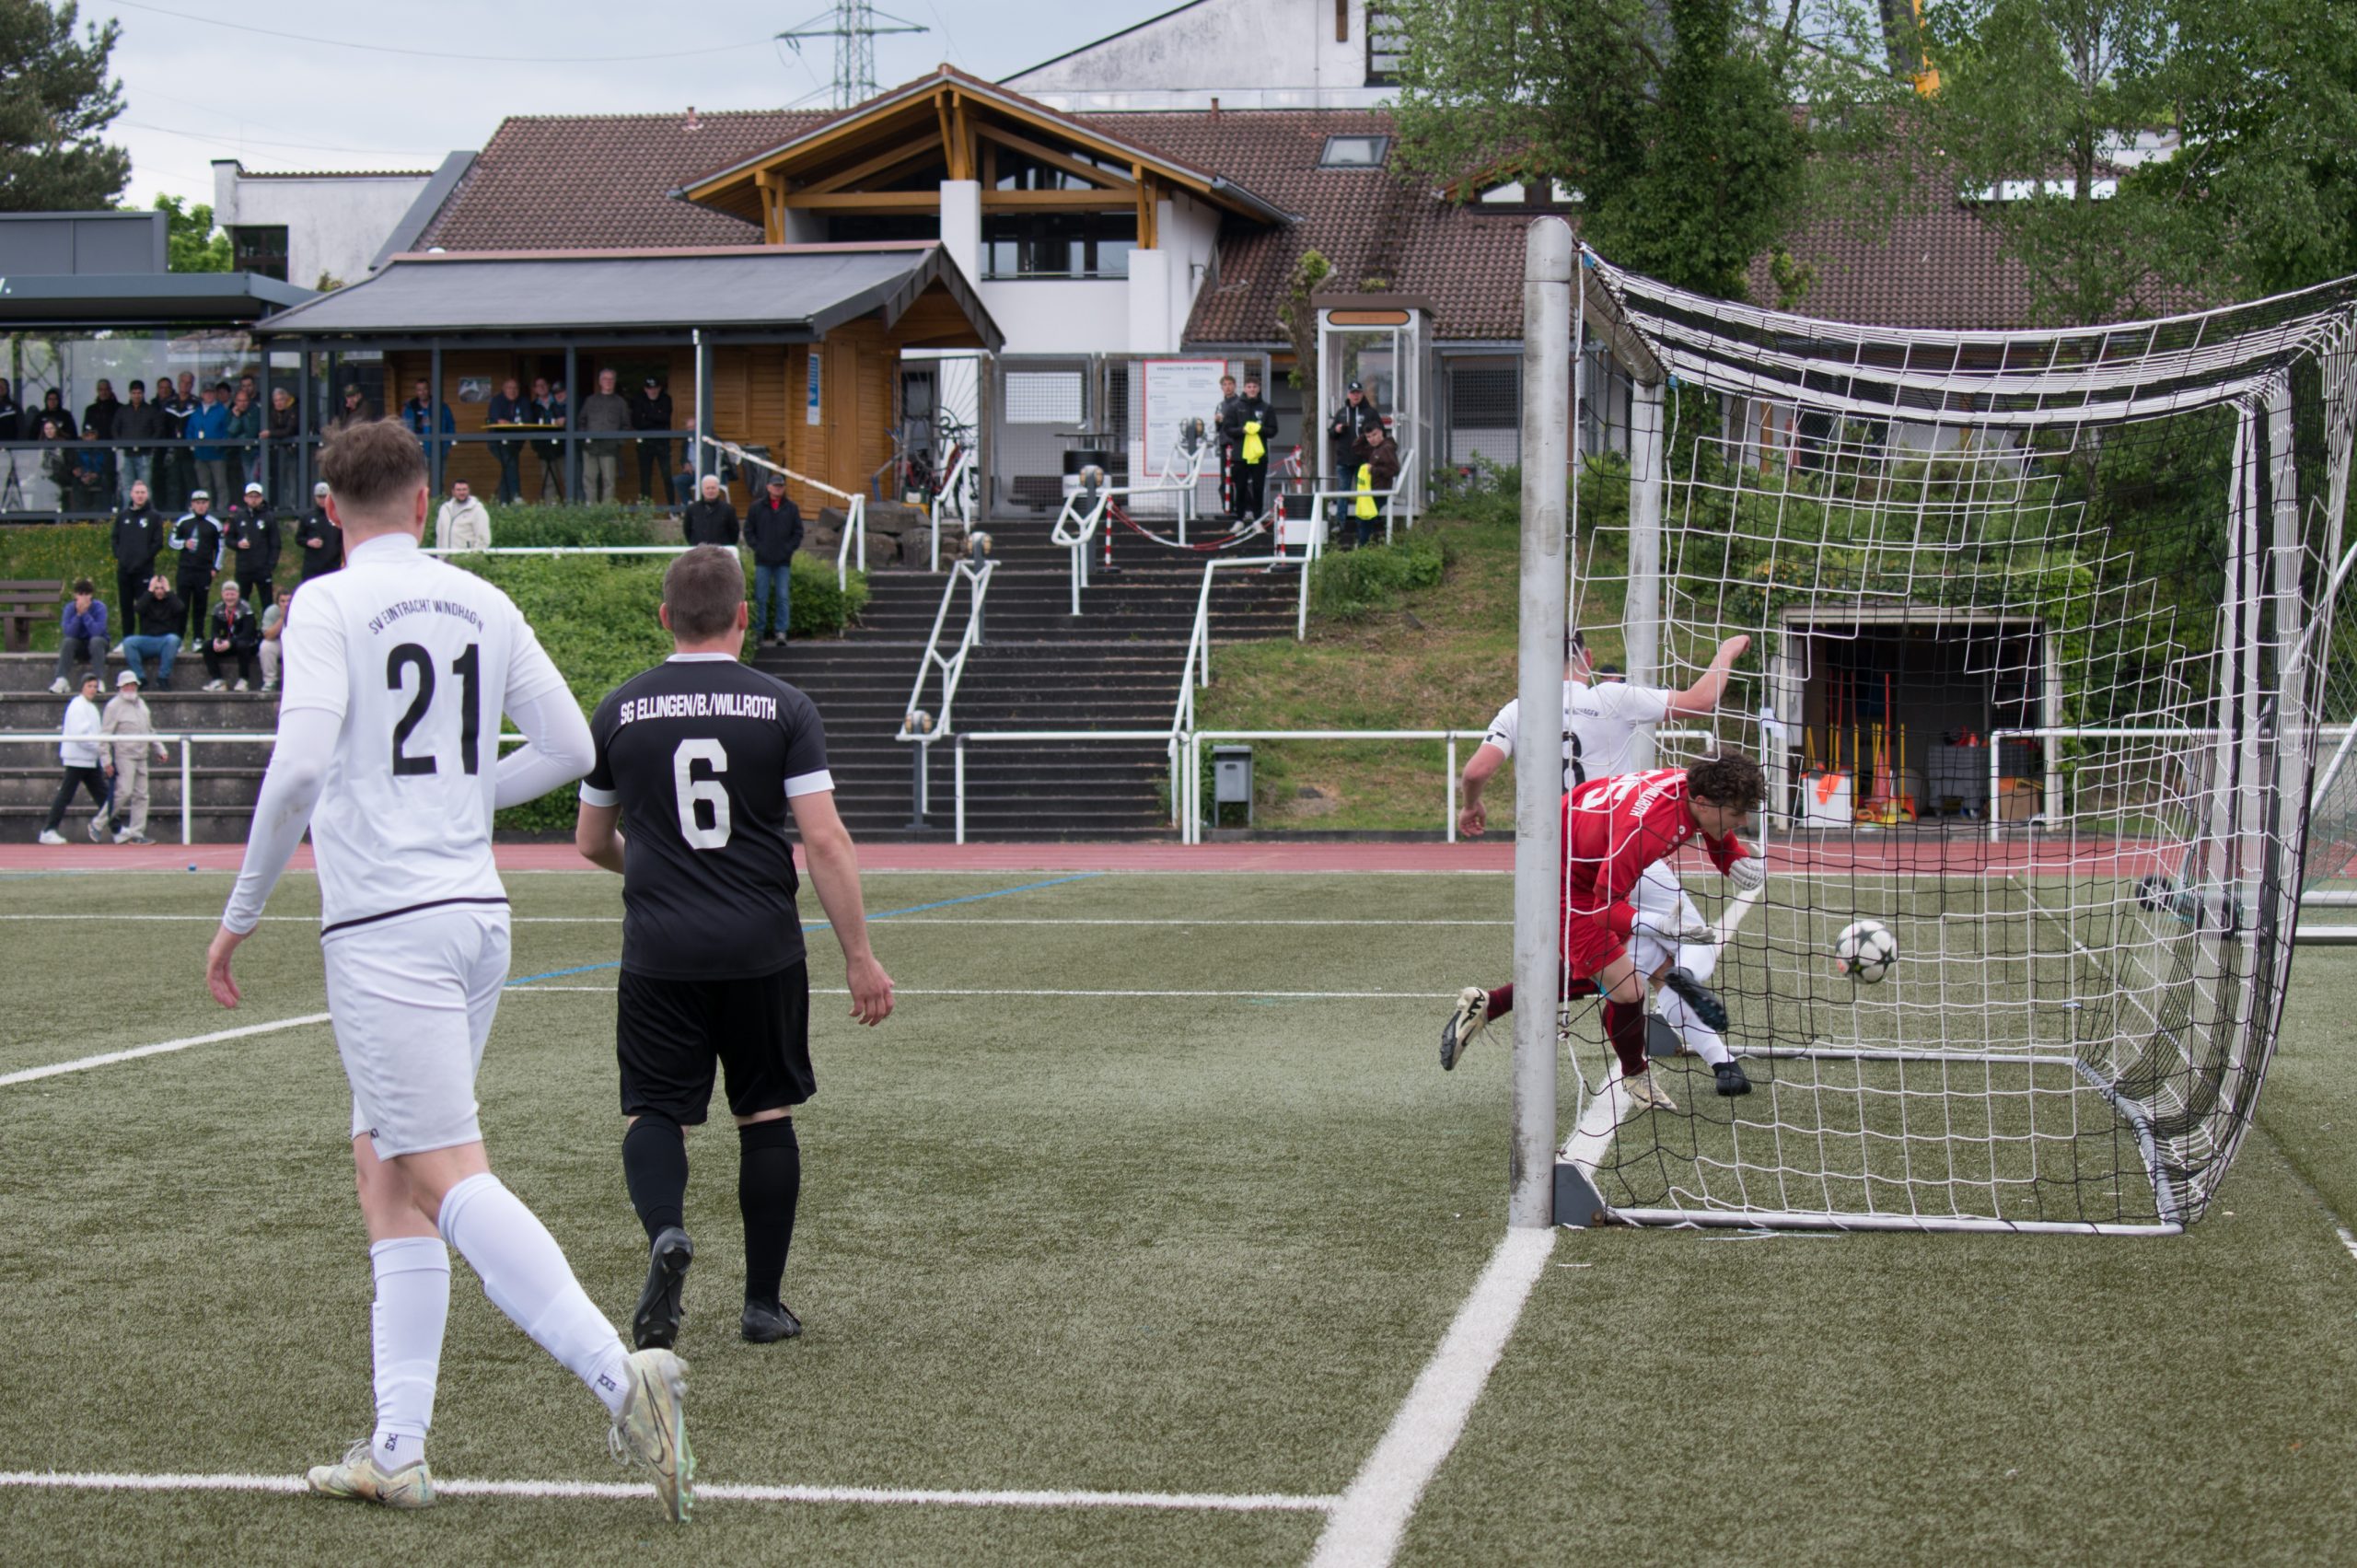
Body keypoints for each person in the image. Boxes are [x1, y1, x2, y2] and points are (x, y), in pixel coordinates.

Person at [203, 419, 691, 1521]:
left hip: (388, 926)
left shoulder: (326, 603)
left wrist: (241, 912)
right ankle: (398, 1447)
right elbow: (572, 749)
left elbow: (298, 769)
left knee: (443, 1168)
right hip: (474, 916)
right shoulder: (483, 599)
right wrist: (465, 796)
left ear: (330, 508)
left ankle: (623, 1380)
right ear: (426, 502)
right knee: (389, 1169)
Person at [575, 545, 893, 1351]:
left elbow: (590, 840)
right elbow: (824, 840)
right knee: (764, 1112)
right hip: (761, 945)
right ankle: (762, 1304)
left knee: (656, 1110)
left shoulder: (617, 709)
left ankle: (667, 1231)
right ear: (744, 615)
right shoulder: (785, 706)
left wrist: (652, 865)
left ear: (665, 618)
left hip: (660, 949)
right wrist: (859, 955)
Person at [1442, 756, 1767, 1109]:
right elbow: (1604, 910)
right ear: (1702, 802)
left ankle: (1492, 1003)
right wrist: (1655, 923)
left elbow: (1709, 825)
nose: (1743, 821)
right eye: (1736, 814)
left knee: (1654, 960)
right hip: (1564, 873)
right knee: (1628, 989)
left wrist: (1731, 856)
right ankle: (1637, 1075)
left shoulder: (1689, 787)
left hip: (1601, 845)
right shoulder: (1646, 832)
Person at [37, 671, 109, 845]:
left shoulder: (90, 707)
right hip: (78, 760)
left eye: (95, 686)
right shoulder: (78, 706)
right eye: (89, 686)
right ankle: (48, 830)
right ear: (82, 687)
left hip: (89, 760)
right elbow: (81, 736)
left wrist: (98, 750)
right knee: (66, 796)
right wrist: (100, 749)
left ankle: (117, 828)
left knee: (103, 796)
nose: (93, 689)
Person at [101, 668, 169, 844]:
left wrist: (160, 749)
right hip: (124, 756)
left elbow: (149, 730)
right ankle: (98, 822)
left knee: (142, 796)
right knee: (124, 792)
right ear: (120, 687)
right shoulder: (113, 706)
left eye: (133, 685)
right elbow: (105, 735)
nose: (131, 688)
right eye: (127, 685)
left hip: (141, 755)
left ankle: (137, 833)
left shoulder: (141, 704)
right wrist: (106, 760)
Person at [745, 475, 802, 647]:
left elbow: (798, 532)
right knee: (760, 597)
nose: (778, 488)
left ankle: (781, 631)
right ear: (768, 487)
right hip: (762, 560)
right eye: (775, 486)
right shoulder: (756, 507)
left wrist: (788, 549)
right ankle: (759, 631)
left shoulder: (792, 508)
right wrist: (758, 548)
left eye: (781, 486)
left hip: (783, 561)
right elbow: (748, 531)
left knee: (782, 597)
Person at [1327, 380, 1384, 535]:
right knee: (1342, 492)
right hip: (1343, 460)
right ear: (1348, 395)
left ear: (1362, 394)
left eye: (1358, 392)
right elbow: (1331, 433)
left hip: (1362, 461)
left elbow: (1381, 433)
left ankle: (1364, 523)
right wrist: (1336, 429)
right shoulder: (1341, 412)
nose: (1355, 395)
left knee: (1363, 493)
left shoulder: (1370, 413)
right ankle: (1340, 523)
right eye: (1353, 393)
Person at [1218, 374, 1275, 525]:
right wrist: (1242, 430)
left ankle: (1257, 520)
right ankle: (1239, 519)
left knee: (1258, 488)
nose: (1252, 389)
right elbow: (1228, 429)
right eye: (1249, 387)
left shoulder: (1267, 408)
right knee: (1241, 487)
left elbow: (1273, 430)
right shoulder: (1235, 407)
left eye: (1255, 387)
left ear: (1259, 389)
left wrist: (1260, 429)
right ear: (1244, 388)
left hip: (1259, 456)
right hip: (1240, 455)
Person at [111, 479, 166, 619]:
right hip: (124, 570)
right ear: (131, 494)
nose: (140, 495)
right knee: (126, 608)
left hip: (144, 570)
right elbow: (115, 538)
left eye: (143, 492)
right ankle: (127, 634)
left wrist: (144, 558)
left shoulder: (154, 517)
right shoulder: (122, 516)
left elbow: (158, 543)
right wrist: (120, 556)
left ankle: (145, 633)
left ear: (147, 494)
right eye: (137, 492)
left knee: (145, 608)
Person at [121, 573, 185, 690]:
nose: (159, 591)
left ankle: (162, 678)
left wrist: (169, 591)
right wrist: (149, 591)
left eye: (162, 588)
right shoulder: (147, 600)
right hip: (147, 640)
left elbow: (180, 608)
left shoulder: (171, 601)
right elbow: (138, 608)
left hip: (165, 641)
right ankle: (140, 678)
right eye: (157, 588)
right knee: (128, 642)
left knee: (174, 640)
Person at [578, 370, 633, 505]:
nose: (608, 381)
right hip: (590, 447)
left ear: (614, 382)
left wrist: (618, 442)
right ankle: (591, 509)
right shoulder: (590, 400)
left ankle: (606, 511)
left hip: (610, 448)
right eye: (605, 379)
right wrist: (584, 439)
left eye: (611, 379)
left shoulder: (620, 402)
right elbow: (581, 421)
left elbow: (626, 425)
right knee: (589, 478)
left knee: (609, 480)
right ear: (600, 381)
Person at [48, 578, 110, 693]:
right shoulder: (70, 608)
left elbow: (97, 631)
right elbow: (69, 632)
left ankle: (99, 680)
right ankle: (61, 679)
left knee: (96, 640)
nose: (84, 597)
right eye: (81, 594)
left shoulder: (100, 607)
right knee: (67, 642)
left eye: (87, 594)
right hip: (79, 645)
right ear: (75, 595)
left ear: (91, 595)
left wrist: (85, 614)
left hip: (98, 645)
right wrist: (78, 615)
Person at [201, 579, 262, 691]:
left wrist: (230, 642)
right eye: (227, 594)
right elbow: (214, 630)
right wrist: (216, 640)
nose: (229, 598)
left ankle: (244, 679)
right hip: (227, 642)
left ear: (238, 594)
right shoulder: (218, 609)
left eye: (232, 594)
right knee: (207, 646)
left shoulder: (246, 608)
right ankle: (217, 680)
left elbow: (248, 633)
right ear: (222, 595)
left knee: (242, 645)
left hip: (245, 642)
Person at [226, 480, 281, 604]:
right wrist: (238, 544)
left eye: (256, 496)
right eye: (251, 496)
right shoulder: (238, 516)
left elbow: (275, 544)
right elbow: (229, 539)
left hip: (262, 568)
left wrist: (271, 566)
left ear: (261, 498)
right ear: (245, 498)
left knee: (267, 603)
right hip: (243, 568)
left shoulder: (269, 517)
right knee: (241, 603)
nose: (254, 499)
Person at [1349, 423, 1400, 550]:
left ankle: (1364, 549)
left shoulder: (1386, 448)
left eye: (1375, 434)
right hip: (1371, 491)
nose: (1372, 439)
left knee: (1365, 520)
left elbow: (1394, 470)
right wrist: (1364, 434)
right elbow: (1356, 448)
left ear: (1381, 432)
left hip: (1379, 491)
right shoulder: (1375, 448)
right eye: (1369, 437)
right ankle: (1365, 548)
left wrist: (1373, 470)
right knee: (1362, 520)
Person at [116, 379, 166, 504]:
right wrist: (121, 444)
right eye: (134, 393)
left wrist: (150, 443)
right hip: (127, 454)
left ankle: (147, 512)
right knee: (127, 487)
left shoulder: (151, 410)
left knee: (145, 487)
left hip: (145, 454)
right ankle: (128, 512)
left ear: (143, 394)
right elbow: (114, 428)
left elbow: (158, 429)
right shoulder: (123, 410)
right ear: (130, 394)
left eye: (139, 393)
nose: (136, 396)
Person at [633, 377, 677, 506]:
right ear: (645, 389)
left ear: (660, 388)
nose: (653, 391)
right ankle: (646, 509)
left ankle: (672, 508)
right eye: (649, 388)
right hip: (645, 444)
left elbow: (665, 418)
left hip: (662, 444)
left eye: (655, 388)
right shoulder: (639, 400)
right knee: (645, 477)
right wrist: (656, 416)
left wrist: (647, 415)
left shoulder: (666, 399)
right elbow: (637, 423)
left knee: (667, 476)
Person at [485, 377, 529, 505]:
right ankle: (516, 496)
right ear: (503, 389)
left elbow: (528, 419)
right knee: (510, 465)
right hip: (497, 443)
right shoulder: (497, 401)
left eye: (515, 388)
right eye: (509, 388)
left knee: (508, 467)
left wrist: (509, 423)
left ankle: (503, 502)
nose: (512, 391)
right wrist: (514, 424)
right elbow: (498, 420)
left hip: (515, 443)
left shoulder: (523, 401)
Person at [187, 383, 232, 505]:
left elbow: (228, 431)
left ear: (215, 394)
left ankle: (222, 510)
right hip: (200, 454)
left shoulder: (222, 411)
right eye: (206, 392)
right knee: (204, 486)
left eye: (211, 392)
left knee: (220, 484)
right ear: (202, 394)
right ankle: (207, 510)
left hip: (217, 455)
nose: (209, 395)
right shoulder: (196, 412)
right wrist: (192, 446)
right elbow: (190, 430)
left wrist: (220, 445)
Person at [296, 480, 344, 580]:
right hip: (313, 567)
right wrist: (309, 542)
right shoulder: (308, 516)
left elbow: (344, 539)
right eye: (319, 497)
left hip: (333, 566)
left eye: (324, 496)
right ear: (315, 497)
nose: (322, 500)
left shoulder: (338, 516)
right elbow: (299, 538)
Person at [401, 379, 453, 470]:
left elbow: (450, 425)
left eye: (425, 389)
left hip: (439, 450)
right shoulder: (410, 408)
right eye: (419, 390)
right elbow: (404, 429)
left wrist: (448, 445)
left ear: (429, 390)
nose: (422, 392)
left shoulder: (441, 406)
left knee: (439, 477)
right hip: (417, 453)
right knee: (420, 478)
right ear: (416, 391)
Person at [1211, 373, 1240, 520]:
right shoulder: (1220, 405)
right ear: (1221, 387)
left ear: (1235, 386)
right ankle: (1227, 508)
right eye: (1225, 385)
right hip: (1224, 444)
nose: (1228, 387)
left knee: (1238, 477)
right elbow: (1218, 428)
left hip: (1237, 445)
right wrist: (1217, 421)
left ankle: (1240, 508)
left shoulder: (1240, 403)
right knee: (1225, 478)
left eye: (1230, 384)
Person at [532, 377, 567, 501]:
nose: (541, 387)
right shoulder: (533, 406)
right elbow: (532, 429)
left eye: (544, 384)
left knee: (568, 478)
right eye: (538, 385)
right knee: (549, 481)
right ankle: (550, 509)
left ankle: (571, 507)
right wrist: (536, 446)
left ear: (548, 386)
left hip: (562, 446)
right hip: (544, 448)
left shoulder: (559, 401)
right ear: (535, 389)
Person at [680, 473, 737, 547]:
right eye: (707, 488)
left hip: (721, 551)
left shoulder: (728, 509)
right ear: (702, 490)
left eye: (713, 488)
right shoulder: (691, 509)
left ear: (718, 490)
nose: (710, 491)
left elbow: (734, 533)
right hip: (699, 550)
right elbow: (687, 531)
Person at [266, 387, 302, 504]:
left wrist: (271, 433)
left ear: (287, 399)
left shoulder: (294, 410)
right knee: (278, 478)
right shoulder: (272, 412)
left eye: (281, 399)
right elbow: (271, 427)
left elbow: (289, 430)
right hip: (277, 452)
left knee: (292, 477)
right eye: (276, 400)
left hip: (294, 450)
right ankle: (279, 505)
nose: (279, 403)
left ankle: (293, 504)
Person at [435, 480, 491, 553]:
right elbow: (439, 534)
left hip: (465, 557)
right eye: (458, 490)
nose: (462, 492)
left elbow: (483, 538)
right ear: (453, 492)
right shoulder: (445, 509)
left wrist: (473, 556)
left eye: (464, 489)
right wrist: (440, 555)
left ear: (469, 491)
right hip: (445, 557)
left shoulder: (477, 510)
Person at [225, 385, 262, 487]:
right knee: (247, 480)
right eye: (240, 401)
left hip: (257, 451)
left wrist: (237, 438)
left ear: (249, 401)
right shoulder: (231, 413)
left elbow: (251, 433)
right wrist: (236, 418)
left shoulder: (255, 411)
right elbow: (231, 433)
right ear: (235, 401)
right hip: (242, 453)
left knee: (253, 479)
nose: (242, 403)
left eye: (245, 400)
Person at [259, 583, 294, 691]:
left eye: (288, 601)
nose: (286, 604)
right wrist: (282, 618)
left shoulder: (300, 610)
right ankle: (270, 681)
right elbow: (268, 636)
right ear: (277, 602)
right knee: (266, 647)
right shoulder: (271, 611)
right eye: (282, 601)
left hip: (295, 642)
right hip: (278, 642)